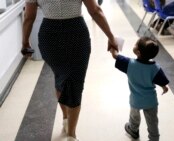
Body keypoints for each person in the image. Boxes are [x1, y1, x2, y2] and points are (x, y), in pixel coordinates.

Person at [22, 0, 118, 141]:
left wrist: (25, 42)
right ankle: (71, 135)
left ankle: (67, 119)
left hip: (49, 35)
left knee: (61, 78)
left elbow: (29, 17)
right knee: (74, 84)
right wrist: (111, 37)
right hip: (76, 33)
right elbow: (95, 10)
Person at [109, 36, 169, 141]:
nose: (134, 45)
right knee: (152, 121)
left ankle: (133, 129)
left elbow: (115, 55)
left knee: (134, 117)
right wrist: (164, 88)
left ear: (138, 52)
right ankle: (154, 138)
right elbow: (163, 84)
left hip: (135, 100)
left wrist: (112, 45)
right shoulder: (156, 68)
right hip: (151, 101)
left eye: (136, 44)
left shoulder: (129, 64)